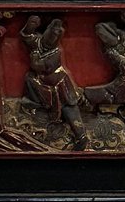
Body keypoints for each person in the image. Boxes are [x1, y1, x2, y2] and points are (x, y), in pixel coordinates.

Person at [21, 14, 89, 149]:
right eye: (49, 35)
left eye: (54, 38)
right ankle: (37, 106)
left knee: (69, 106)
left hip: (59, 83)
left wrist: (35, 58)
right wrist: (31, 24)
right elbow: (26, 36)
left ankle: (81, 136)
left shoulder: (55, 53)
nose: (50, 40)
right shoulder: (38, 42)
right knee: (29, 79)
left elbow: (39, 67)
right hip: (41, 82)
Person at [87, 11, 125, 142]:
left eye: (107, 35)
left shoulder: (124, 41)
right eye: (103, 36)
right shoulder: (110, 51)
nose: (105, 38)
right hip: (124, 81)